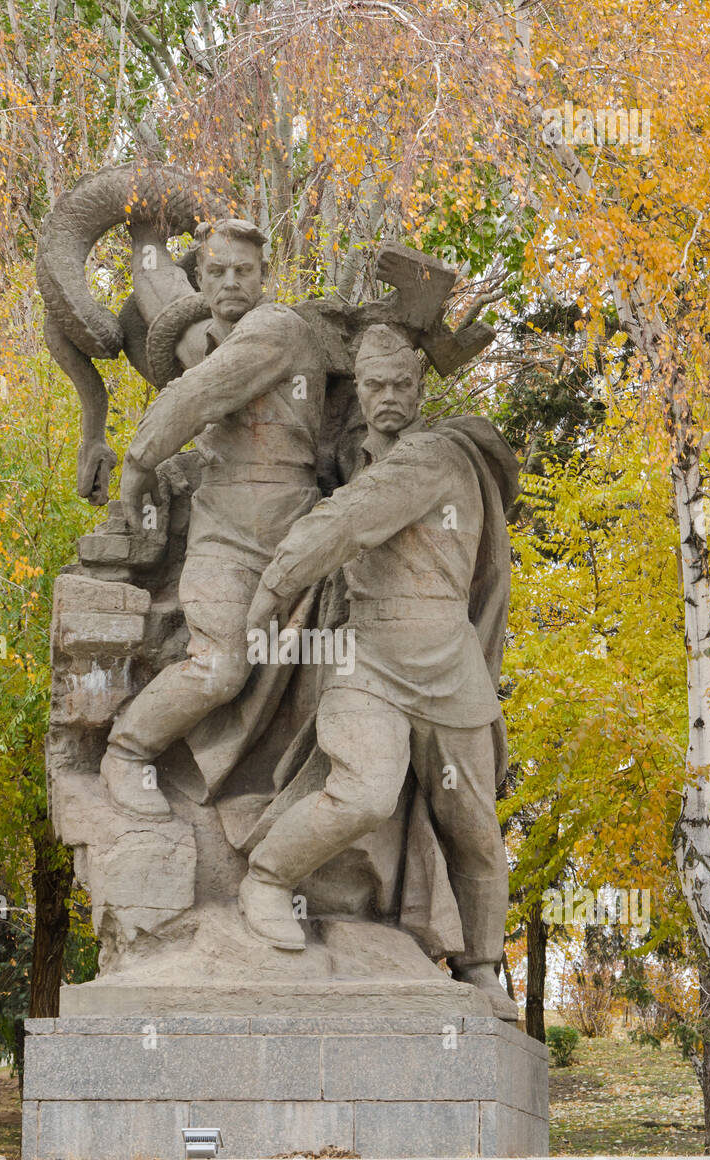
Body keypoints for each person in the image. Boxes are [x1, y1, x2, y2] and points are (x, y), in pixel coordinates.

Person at [237, 323, 514, 1018]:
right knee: (364, 790)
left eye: (402, 384)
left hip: (449, 670)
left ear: (422, 389)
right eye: (375, 385)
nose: (388, 397)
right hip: (365, 662)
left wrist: (274, 587)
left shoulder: (435, 457)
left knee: (473, 828)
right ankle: (266, 880)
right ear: (357, 389)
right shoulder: (355, 455)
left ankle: (480, 966)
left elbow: (352, 521)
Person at [100, 218, 326, 816]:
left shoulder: (277, 328)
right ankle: (127, 751)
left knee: (327, 666)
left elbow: (203, 393)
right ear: (198, 279)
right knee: (221, 667)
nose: (231, 281)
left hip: (294, 533)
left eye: (243, 271)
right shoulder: (208, 342)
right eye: (218, 271)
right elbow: (199, 375)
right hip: (222, 530)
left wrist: (140, 459)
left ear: (264, 277)